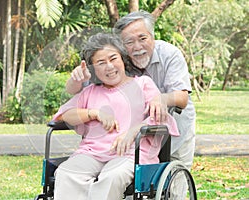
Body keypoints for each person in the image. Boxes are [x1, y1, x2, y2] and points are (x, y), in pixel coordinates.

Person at [53, 33, 179, 200]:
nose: (109, 66)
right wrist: (94, 113)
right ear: (93, 69)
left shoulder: (143, 84)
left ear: (122, 59)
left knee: (111, 176)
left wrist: (134, 130)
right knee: (67, 173)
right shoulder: (90, 91)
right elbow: (65, 115)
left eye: (113, 59)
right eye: (101, 63)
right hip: (92, 153)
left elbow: (161, 118)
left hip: (130, 154)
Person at [66, 11, 196, 170]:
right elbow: (79, 91)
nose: (137, 47)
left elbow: (182, 98)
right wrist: (75, 78)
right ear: (121, 46)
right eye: (129, 42)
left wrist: (161, 98)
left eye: (143, 38)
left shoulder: (169, 54)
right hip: (129, 142)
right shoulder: (116, 63)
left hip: (174, 127)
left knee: (175, 181)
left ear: (152, 36)